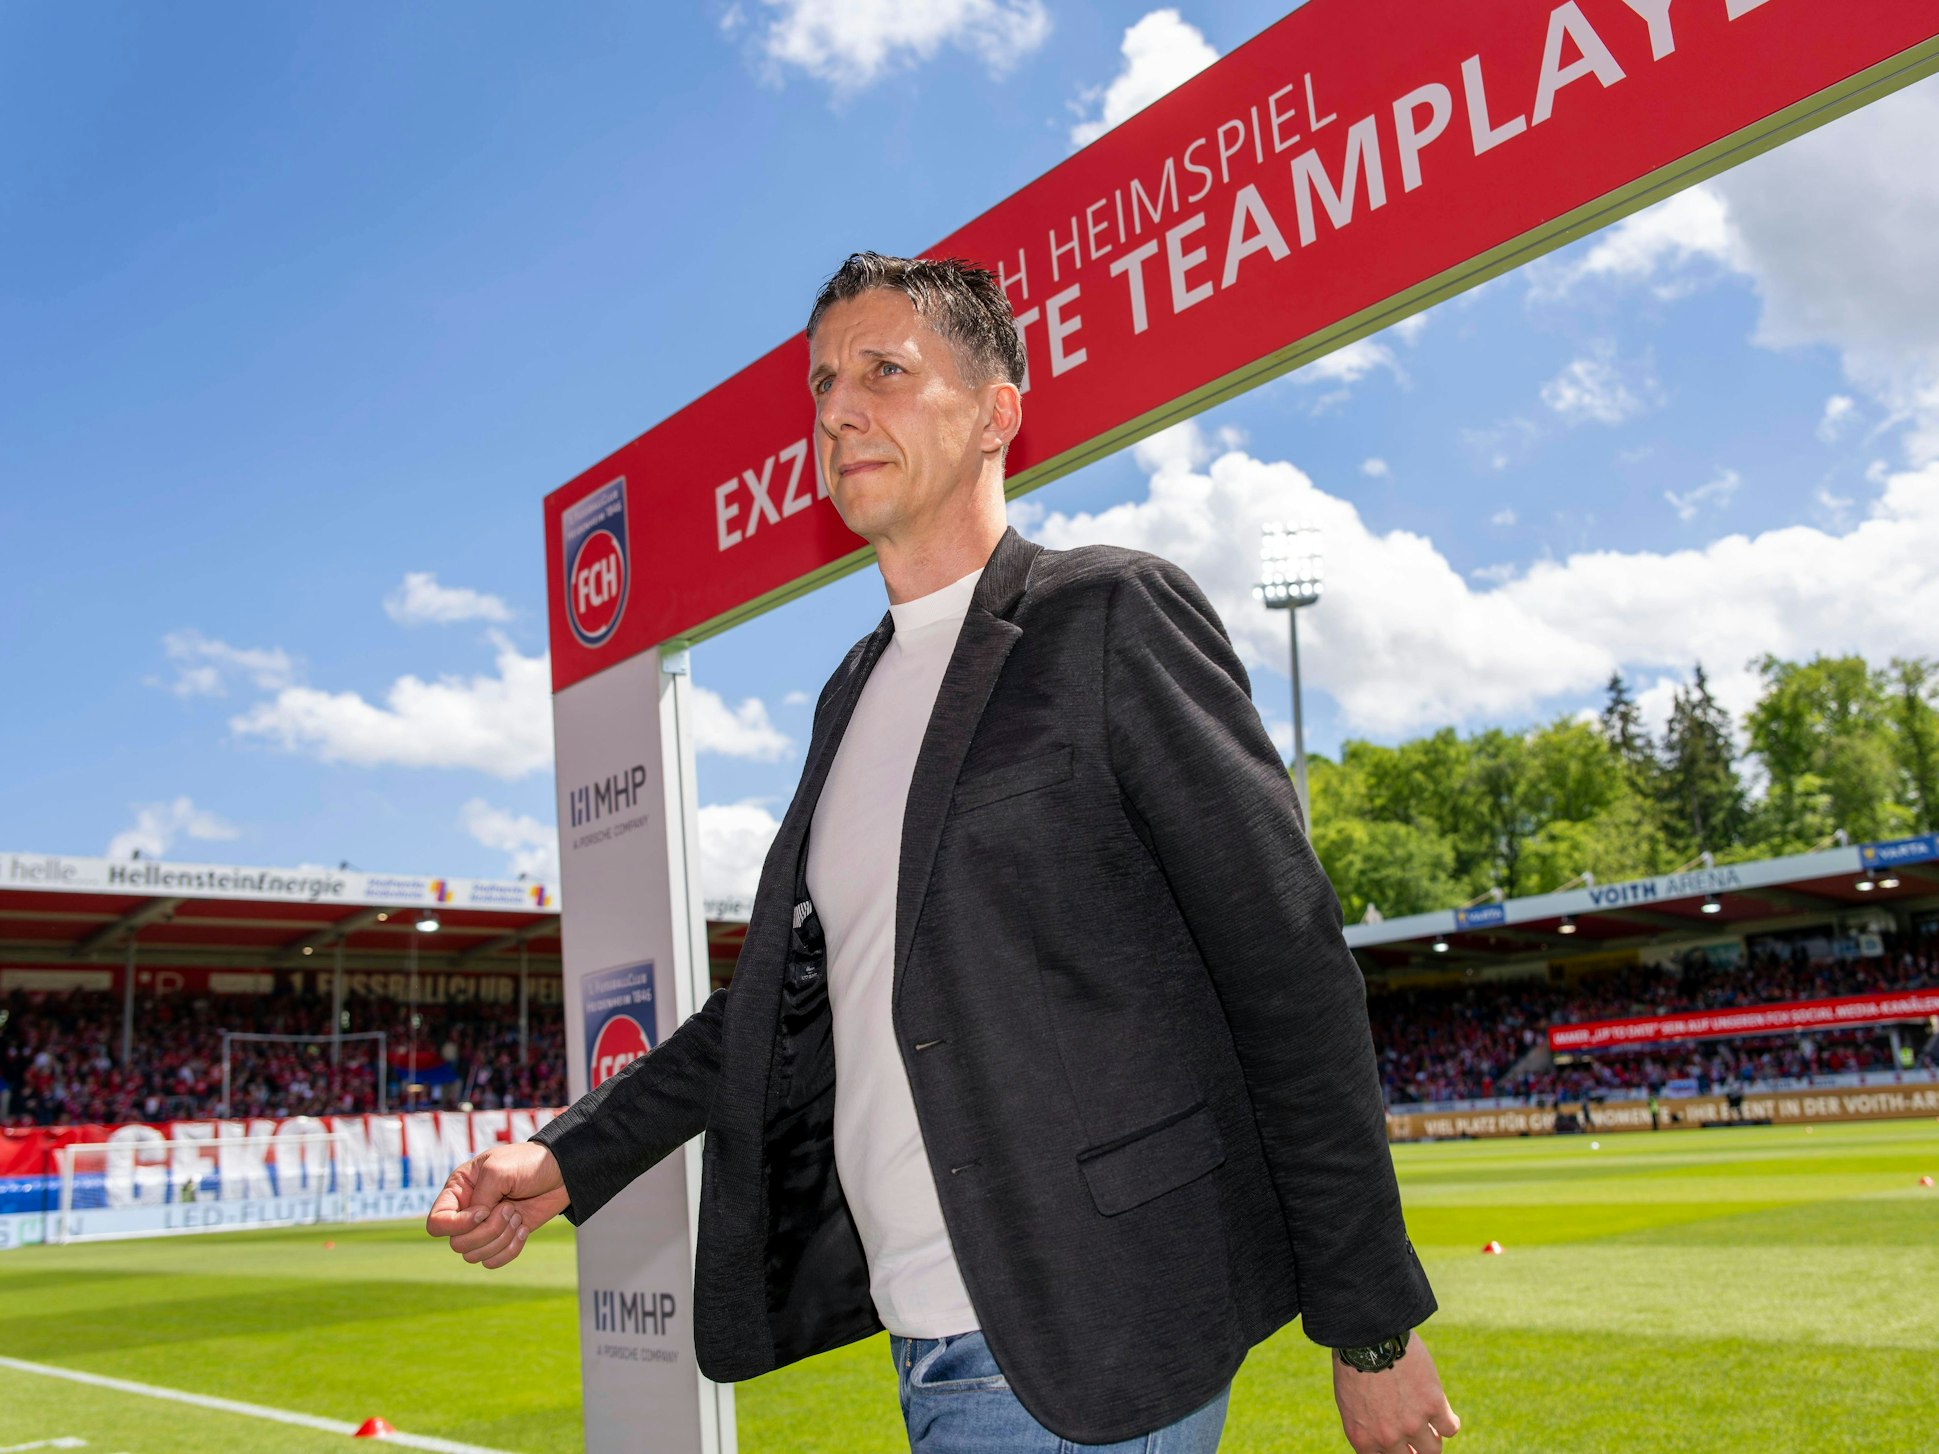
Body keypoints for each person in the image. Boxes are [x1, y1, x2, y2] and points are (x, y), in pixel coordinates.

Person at [429, 254, 1457, 1454]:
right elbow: (770, 1008)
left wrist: (1371, 1325)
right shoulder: (850, 694)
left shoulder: (1110, 616)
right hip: (926, 1335)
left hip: (1089, 1326)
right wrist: (566, 1152)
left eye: (884, 371)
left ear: (996, 411)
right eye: (821, 384)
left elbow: (1286, 966)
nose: (837, 408)